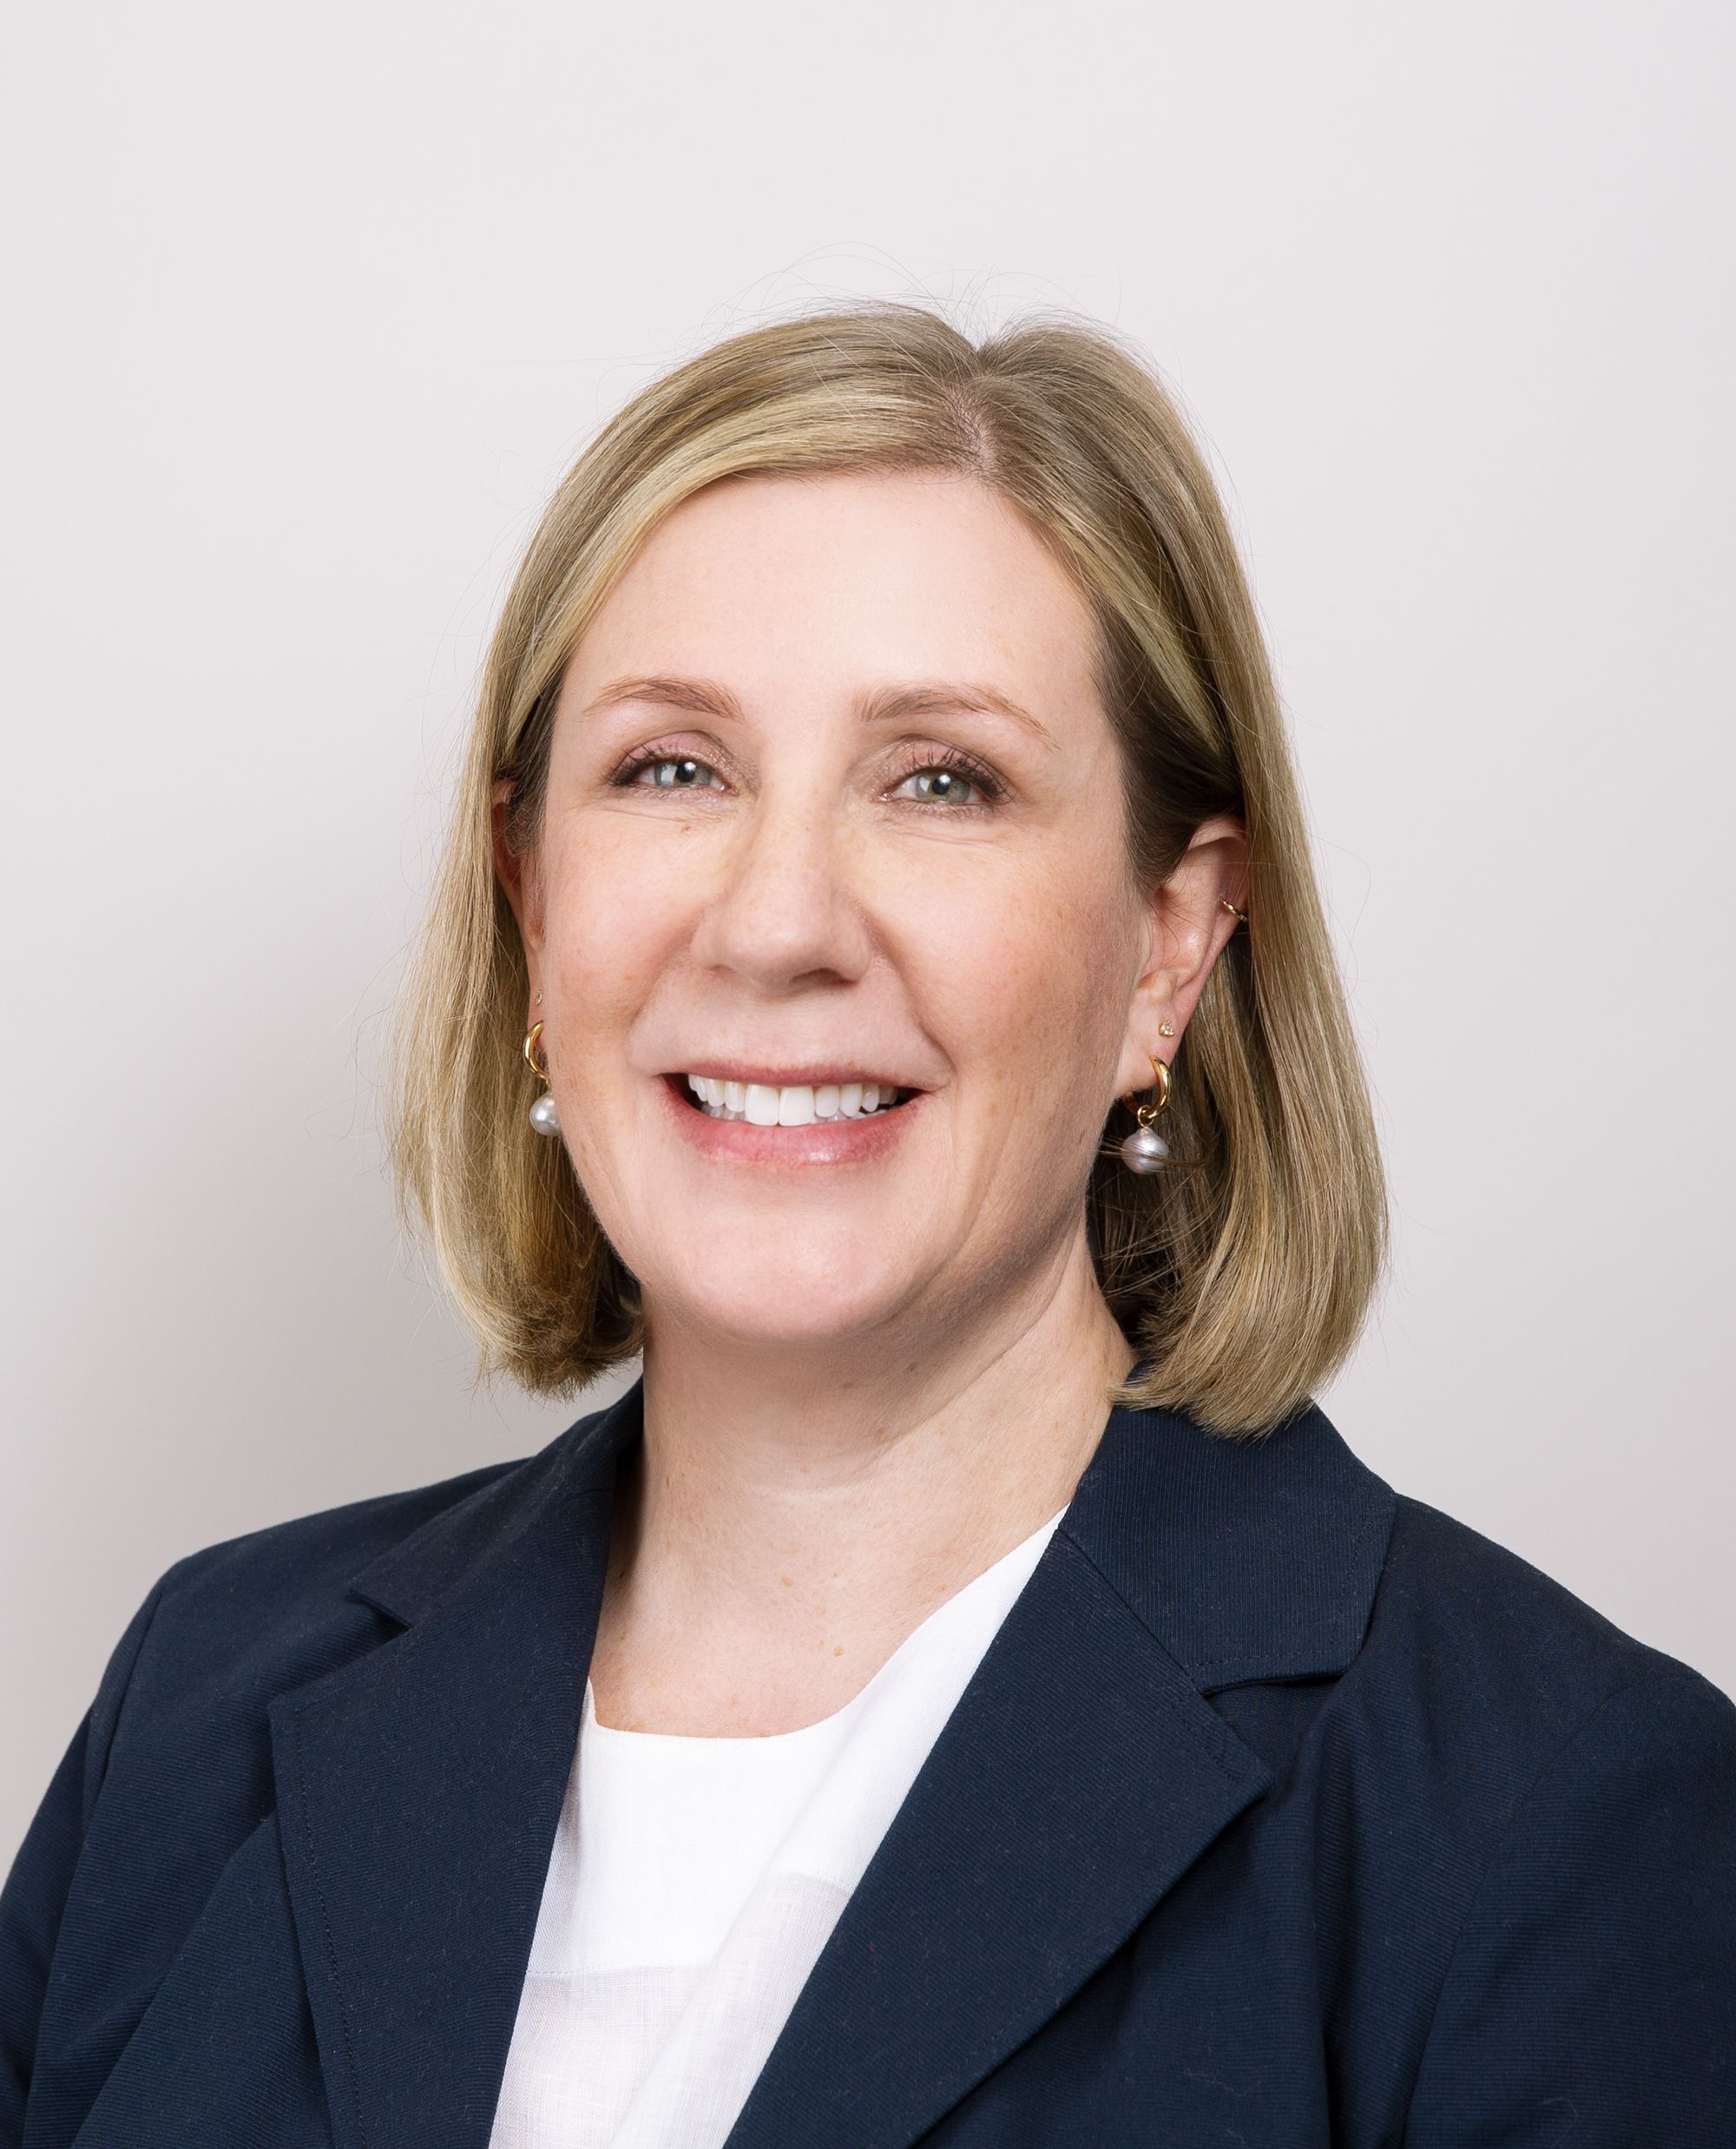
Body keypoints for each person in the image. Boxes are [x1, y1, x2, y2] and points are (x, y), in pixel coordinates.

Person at [3, 304, 1733, 2149]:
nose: (775, 920)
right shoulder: (208, 1699)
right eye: (672, 767)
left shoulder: (1551, 1812)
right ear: (528, 904)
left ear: (1171, 944)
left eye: (941, 779)